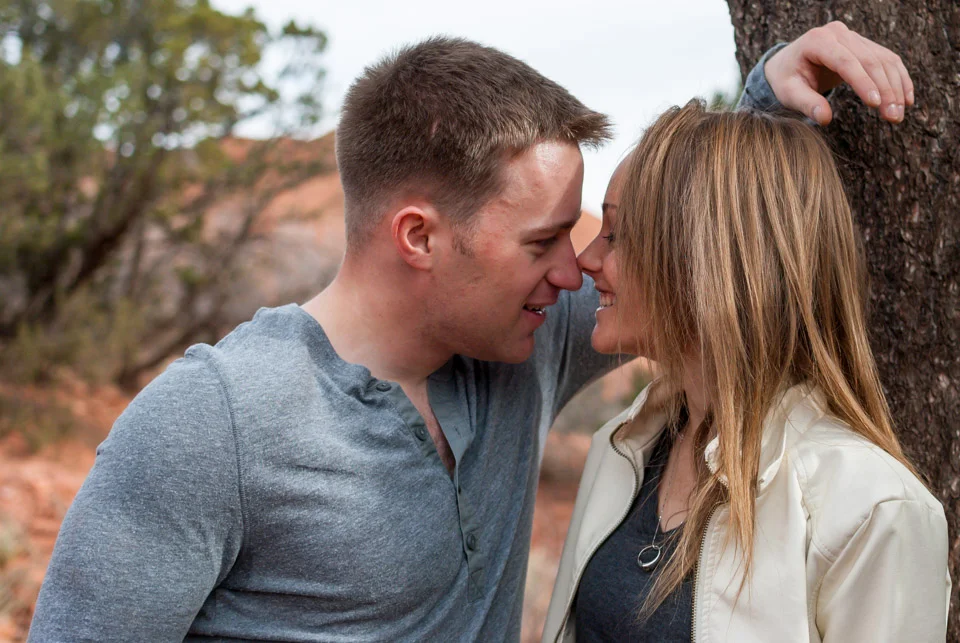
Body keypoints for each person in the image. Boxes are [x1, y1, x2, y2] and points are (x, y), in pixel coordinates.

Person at [30, 22, 916, 642]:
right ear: (419, 236)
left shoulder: (518, 342)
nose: (572, 273)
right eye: (540, 242)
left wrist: (767, 95)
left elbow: (696, 256)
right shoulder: (209, 425)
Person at [542, 100, 949, 642]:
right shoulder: (622, 447)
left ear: (701, 257)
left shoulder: (871, 509)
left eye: (616, 234)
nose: (585, 261)